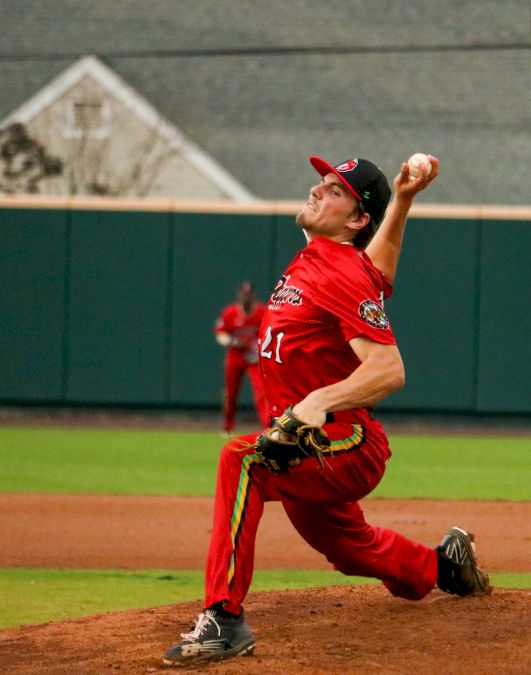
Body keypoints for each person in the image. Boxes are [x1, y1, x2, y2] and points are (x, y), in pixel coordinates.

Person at [163, 155, 490, 666]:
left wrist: (317, 402)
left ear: (357, 219)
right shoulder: (326, 259)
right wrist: (402, 201)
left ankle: (223, 619)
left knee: (241, 460)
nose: (317, 191)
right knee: (349, 549)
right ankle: (445, 566)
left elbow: (389, 370)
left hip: (346, 442)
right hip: (306, 440)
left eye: (334, 190)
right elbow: (375, 268)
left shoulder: (337, 272)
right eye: (320, 183)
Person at [214, 281, 270, 435]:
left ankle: (266, 426)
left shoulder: (262, 311)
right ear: (239, 295)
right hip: (235, 356)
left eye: (249, 294)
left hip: (255, 358)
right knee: (230, 393)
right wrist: (233, 341)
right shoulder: (230, 312)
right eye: (244, 294)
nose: (246, 297)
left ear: (253, 295)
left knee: (262, 392)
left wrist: (259, 349)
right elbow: (220, 334)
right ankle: (227, 426)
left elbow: (269, 334)